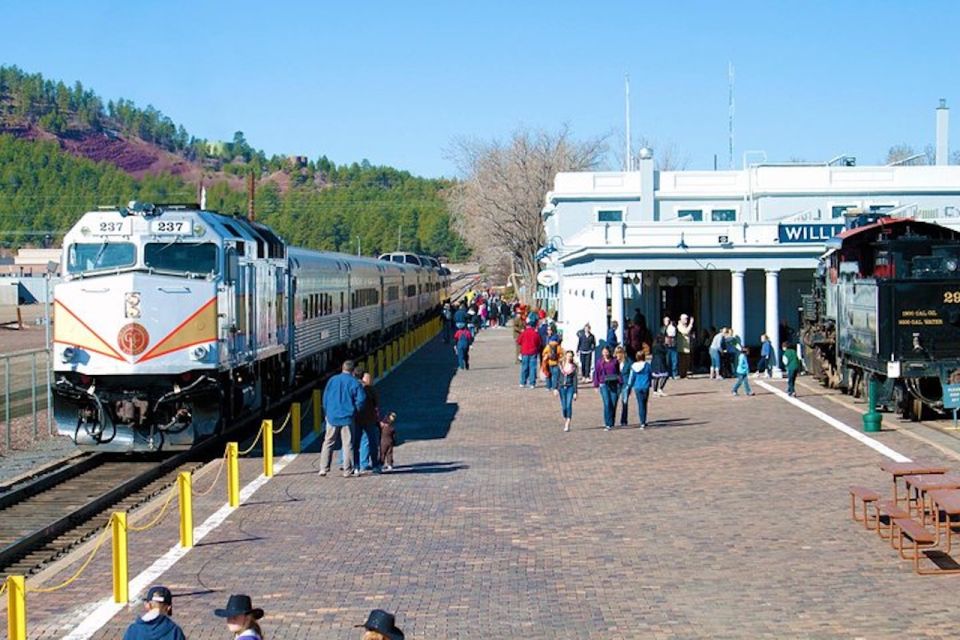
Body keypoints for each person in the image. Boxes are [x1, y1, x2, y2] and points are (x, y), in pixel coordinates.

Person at [319, 360, 366, 477]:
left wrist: (327, 412)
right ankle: (347, 470)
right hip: (347, 417)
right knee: (347, 444)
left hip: (332, 416)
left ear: (342, 368)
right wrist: (355, 410)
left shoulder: (332, 380)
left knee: (328, 442)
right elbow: (361, 399)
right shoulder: (354, 382)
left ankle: (323, 469)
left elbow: (325, 398)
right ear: (353, 370)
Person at [354, 372, 381, 474]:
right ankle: (374, 465)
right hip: (370, 419)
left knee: (355, 443)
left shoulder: (353, 388)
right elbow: (376, 403)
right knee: (371, 442)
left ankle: (356, 466)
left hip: (356, 419)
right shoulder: (370, 389)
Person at [592, 346, 620, 431]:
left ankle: (611, 420)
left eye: (606, 352)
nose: (605, 353)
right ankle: (607, 423)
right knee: (607, 403)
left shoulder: (615, 361)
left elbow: (618, 372)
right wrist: (596, 385)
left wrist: (620, 382)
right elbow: (596, 373)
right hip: (603, 384)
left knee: (613, 403)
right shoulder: (599, 362)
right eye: (603, 352)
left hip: (614, 383)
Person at [626, 351, 652, 429]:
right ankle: (643, 420)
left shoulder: (633, 366)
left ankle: (642, 422)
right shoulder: (647, 365)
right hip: (645, 386)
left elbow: (631, 377)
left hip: (637, 386)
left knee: (640, 404)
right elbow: (650, 375)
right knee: (644, 403)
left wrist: (629, 386)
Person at [555, 350, 578, 432]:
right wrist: (556, 388)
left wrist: (575, 392)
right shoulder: (561, 365)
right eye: (568, 356)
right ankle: (566, 416)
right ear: (565, 356)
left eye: (571, 356)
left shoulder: (574, 367)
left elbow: (575, 380)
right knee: (564, 406)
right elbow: (557, 377)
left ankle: (568, 422)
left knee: (568, 405)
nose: (569, 357)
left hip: (570, 387)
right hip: (561, 387)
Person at [517, 319, 542, 388]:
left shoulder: (524, 333)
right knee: (532, 368)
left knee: (524, 367)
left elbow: (519, 341)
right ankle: (532, 383)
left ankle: (523, 382)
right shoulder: (535, 333)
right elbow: (539, 343)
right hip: (533, 352)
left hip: (525, 352)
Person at [614, 345, 632, 427]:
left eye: (620, 353)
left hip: (625, 384)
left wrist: (629, 384)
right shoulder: (614, 362)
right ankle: (611, 420)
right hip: (616, 384)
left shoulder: (628, 362)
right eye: (617, 353)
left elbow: (631, 374)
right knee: (614, 403)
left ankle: (624, 420)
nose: (618, 355)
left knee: (625, 402)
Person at [677, 314, 695, 378]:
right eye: (685, 319)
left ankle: (685, 373)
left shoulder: (685, 326)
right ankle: (682, 374)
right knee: (682, 362)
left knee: (687, 362)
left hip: (687, 348)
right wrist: (691, 324)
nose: (686, 320)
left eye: (687, 319)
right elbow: (685, 332)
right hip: (682, 348)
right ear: (681, 319)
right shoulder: (679, 326)